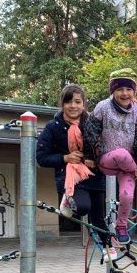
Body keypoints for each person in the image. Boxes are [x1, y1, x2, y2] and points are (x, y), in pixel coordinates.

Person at [84, 68, 137, 245]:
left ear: (134, 91)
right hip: (106, 160)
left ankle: (121, 226)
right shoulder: (103, 107)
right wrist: (90, 155)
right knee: (122, 154)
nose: (124, 93)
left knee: (126, 195)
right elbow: (91, 132)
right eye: (120, 89)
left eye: (129, 89)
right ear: (112, 91)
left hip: (128, 166)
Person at [36, 83, 109, 247]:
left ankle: (108, 248)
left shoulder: (92, 124)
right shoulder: (53, 127)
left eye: (77, 102)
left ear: (84, 104)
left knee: (99, 217)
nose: (73, 106)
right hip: (70, 177)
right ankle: (67, 200)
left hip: (94, 175)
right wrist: (65, 158)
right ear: (62, 104)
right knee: (83, 207)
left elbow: (103, 146)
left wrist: (93, 158)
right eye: (68, 102)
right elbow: (41, 157)